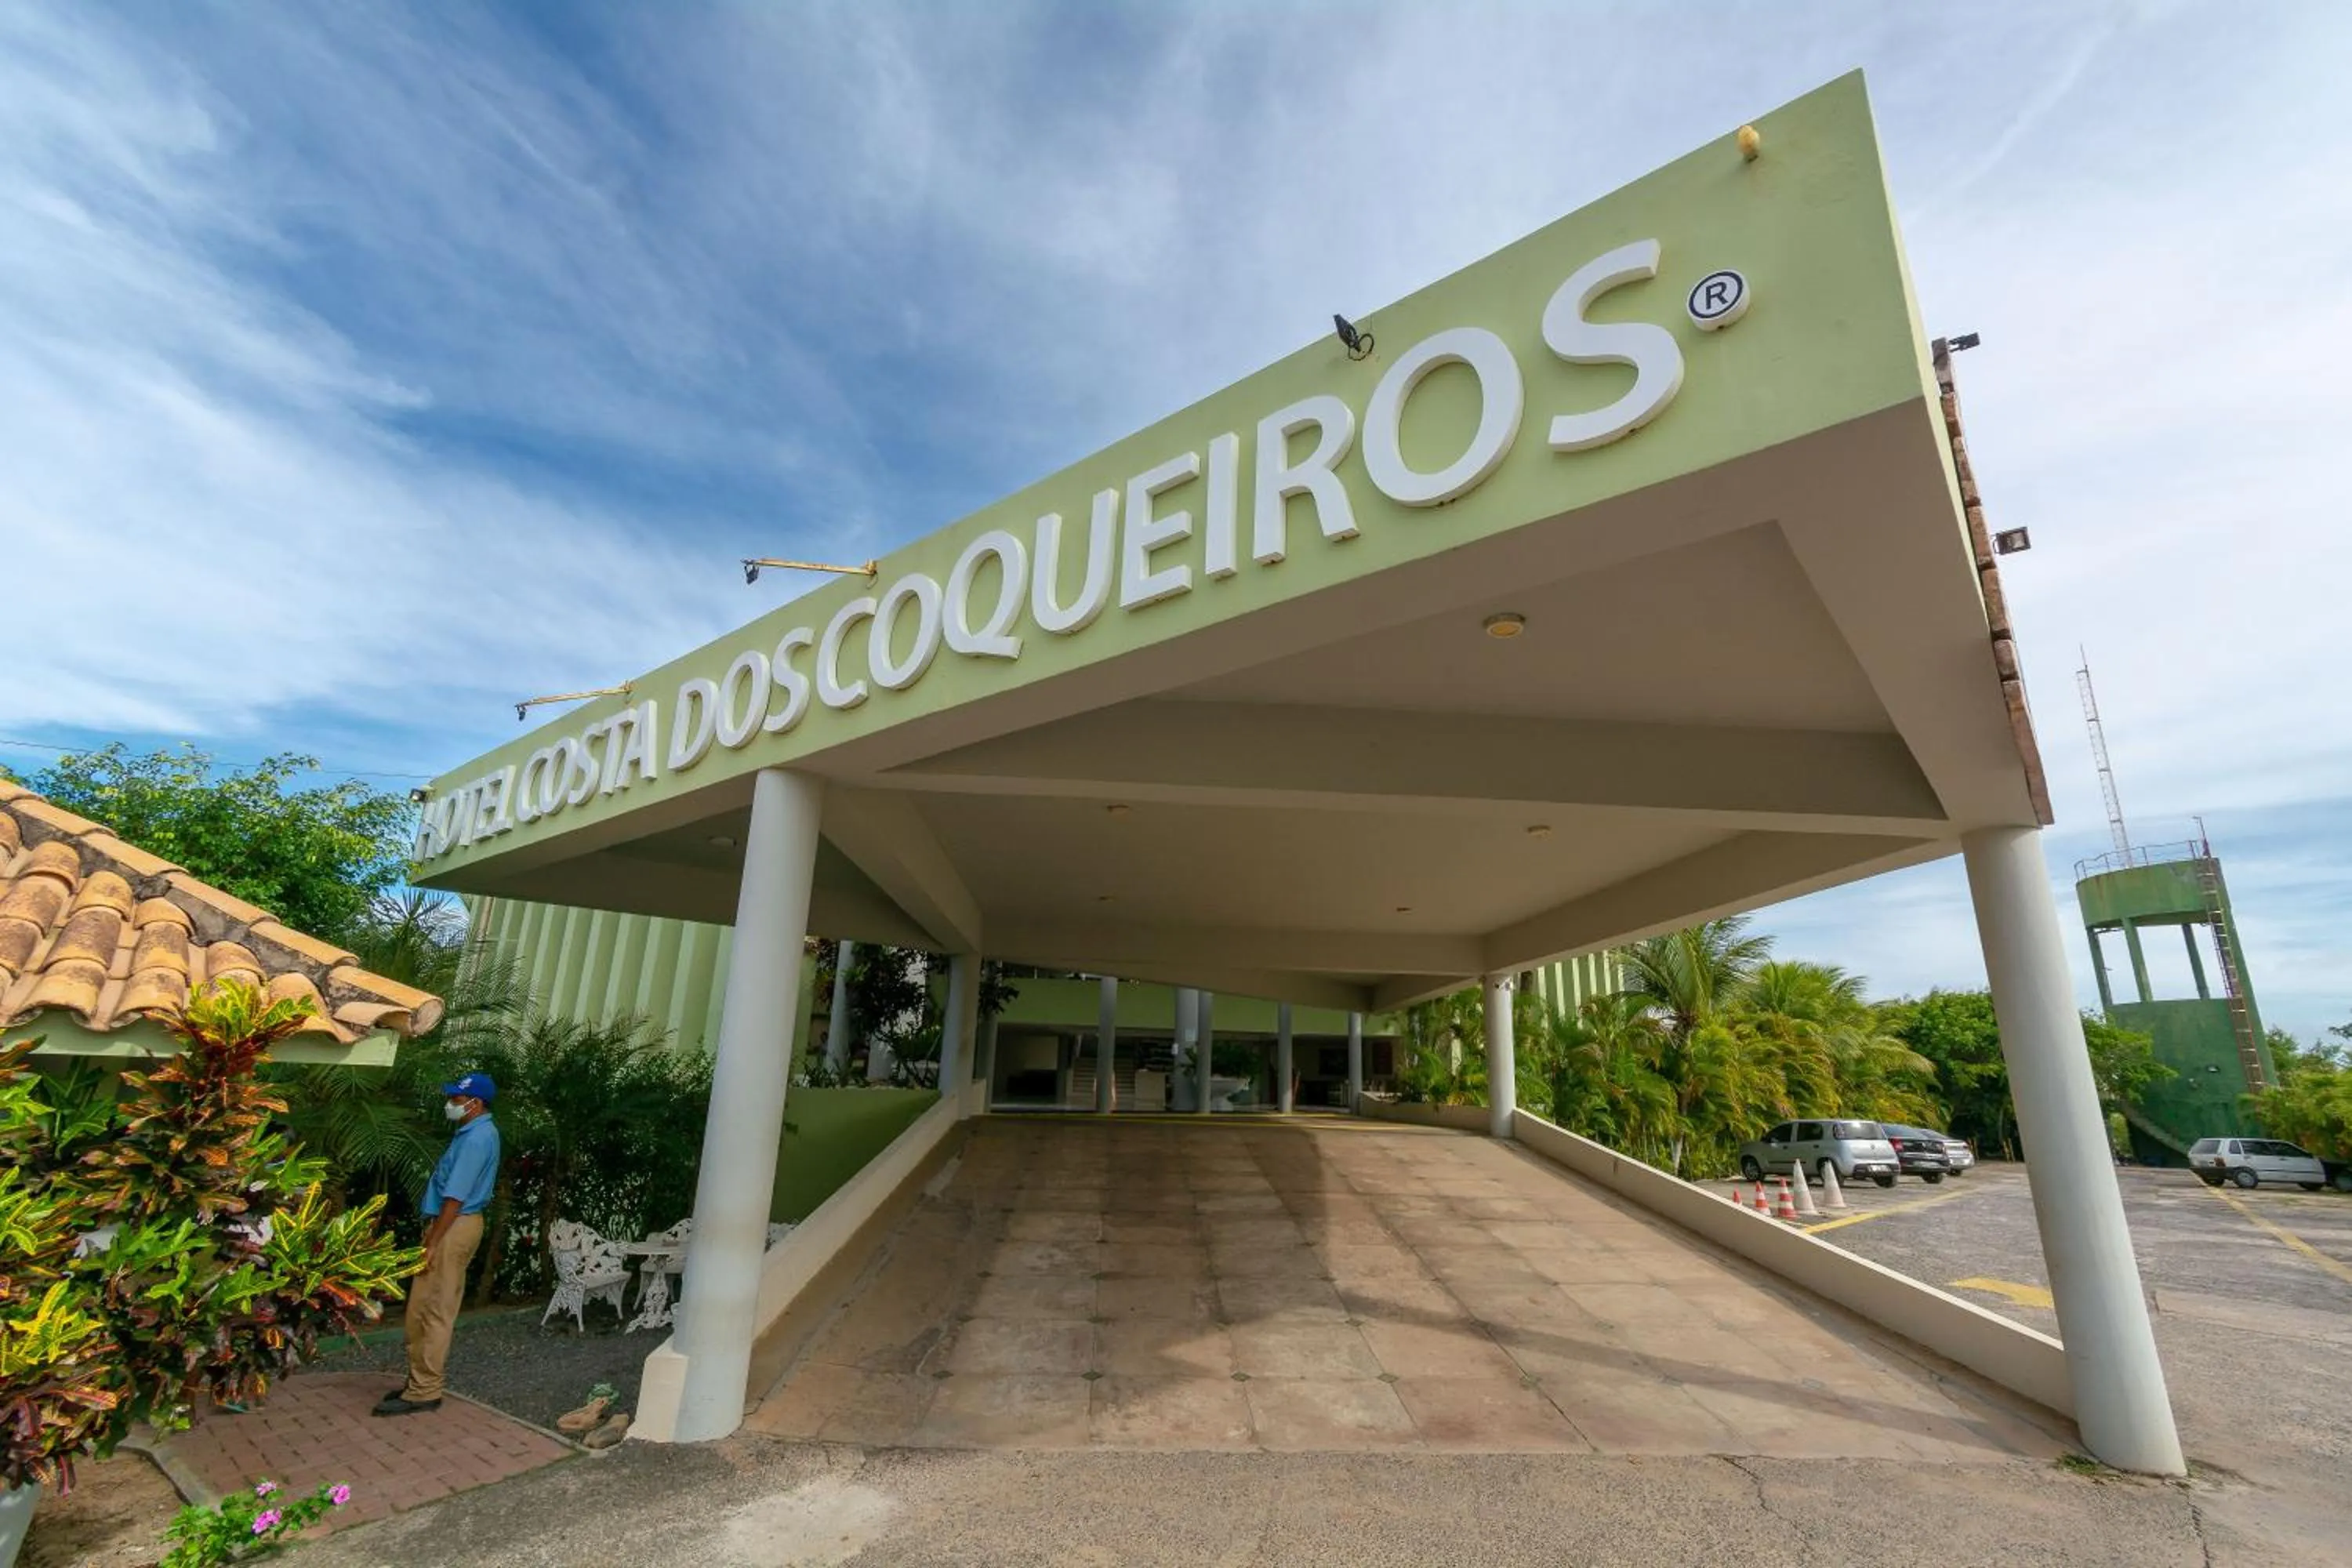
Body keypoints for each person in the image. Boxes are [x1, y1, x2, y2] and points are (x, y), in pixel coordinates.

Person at [375, 1072, 501, 1417]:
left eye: (457, 1100)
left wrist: (432, 1242)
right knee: (422, 1307)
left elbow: (455, 1197)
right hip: (450, 1225)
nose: (451, 1105)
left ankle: (425, 1391)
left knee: (433, 1309)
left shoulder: (477, 1139)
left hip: (453, 1226)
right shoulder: (472, 1133)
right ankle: (419, 1383)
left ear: (475, 1104)